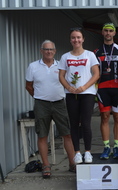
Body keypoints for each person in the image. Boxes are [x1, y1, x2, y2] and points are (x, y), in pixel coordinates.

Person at [25, 40, 76, 178]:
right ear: (41, 51)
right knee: (42, 135)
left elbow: (68, 83)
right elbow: (28, 86)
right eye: (46, 49)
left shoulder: (61, 65)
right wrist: (39, 96)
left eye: (51, 49)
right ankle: (46, 165)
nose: (48, 52)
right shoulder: (33, 66)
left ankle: (72, 163)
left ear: (55, 51)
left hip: (59, 103)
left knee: (67, 134)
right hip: (41, 104)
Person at [58, 28, 100, 164]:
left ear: (83, 39)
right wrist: (69, 87)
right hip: (71, 94)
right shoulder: (65, 57)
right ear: (70, 40)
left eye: (78, 37)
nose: (76, 40)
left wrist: (84, 87)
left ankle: (87, 152)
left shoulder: (90, 55)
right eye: (73, 38)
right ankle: (77, 152)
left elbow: (96, 74)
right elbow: (61, 76)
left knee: (86, 123)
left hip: (87, 93)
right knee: (74, 124)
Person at [94, 23, 118, 159]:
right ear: (102, 32)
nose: (108, 33)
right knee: (105, 117)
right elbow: (93, 72)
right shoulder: (96, 52)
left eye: (110, 31)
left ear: (114, 33)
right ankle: (106, 147)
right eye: (105, 30)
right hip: (103, 89)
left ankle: (117, 146)